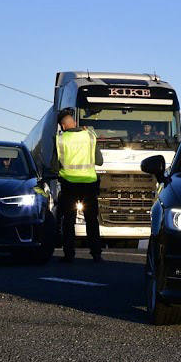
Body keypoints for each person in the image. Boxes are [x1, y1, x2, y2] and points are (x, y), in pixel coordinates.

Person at [53, 107, 104, 262]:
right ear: (74, 122)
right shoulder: (89, 136)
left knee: (68, 220)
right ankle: (96, 254)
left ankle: (69, 255)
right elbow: (99, 161)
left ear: (63, 126)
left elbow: (54, 167)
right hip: (89, 184)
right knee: (92, 220)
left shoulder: (60, 140)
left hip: (69, 185)